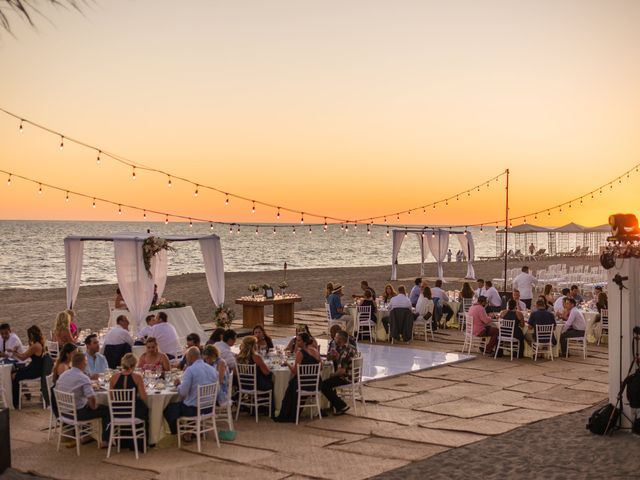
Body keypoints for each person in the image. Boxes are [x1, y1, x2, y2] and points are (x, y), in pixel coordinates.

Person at [55, 352, 110, 446]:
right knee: (107, 410)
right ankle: (105, 440)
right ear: (82, 363)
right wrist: (93, 406)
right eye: (85, 362)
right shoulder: (83, 378)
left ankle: (86, 435)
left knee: (83, 403)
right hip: (76, 414)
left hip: (63, 411)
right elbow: (91, 397)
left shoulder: (63, 375)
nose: (86, 364)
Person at [164, 347, 218, 439]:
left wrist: (177, 385)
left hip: (194, 410)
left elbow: (183, 393)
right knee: (188, 402)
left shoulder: (190, 370)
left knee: (168, 408)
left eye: (186, 357)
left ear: (190, 357)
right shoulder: (212, 369)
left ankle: (182, 432)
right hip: (209, 407)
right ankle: (191, 430)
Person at [275, 332, 322, 422]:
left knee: (291, 385)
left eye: (299, 340)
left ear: (304, 342)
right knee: (293, 382)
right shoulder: (315, 351)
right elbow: (321, 367)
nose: (296, 342)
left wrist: (287, 363)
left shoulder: (300, 353)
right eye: (296, 340)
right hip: (316, 383)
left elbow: (294, 371)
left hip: (303, 384)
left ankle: (287, 414)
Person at [109, 353, 149, 449]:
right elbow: (144, 397)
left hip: (117, 412)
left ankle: (123, 443)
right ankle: (140, 444)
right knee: (146, 409)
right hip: (133, 412)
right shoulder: (137, 377)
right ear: (134, 364)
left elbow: (111, 398)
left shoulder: (113, 378)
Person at [320, 331, 356, 415]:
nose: (334, 339)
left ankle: (341, 406)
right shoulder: (351, 347)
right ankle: (334, 405)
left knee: (324, 385)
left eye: (336, 337)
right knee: (329, 382)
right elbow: (331, 359)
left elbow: (341, 371)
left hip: (346, 377)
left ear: (340, 339)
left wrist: (332, 375)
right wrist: (334, 356)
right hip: (353, 375)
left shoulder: (344, 351)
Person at [11, 325, 45, 408]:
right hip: (36, 368)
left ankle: (16, 402)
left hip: (34, 370)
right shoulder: (39, 343)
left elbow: (23, 357)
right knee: (15, 372)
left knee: (14, 376)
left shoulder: (35, 346)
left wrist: (14, 352)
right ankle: (23, 395)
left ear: (32, 335)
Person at [50, 343, 77, 416]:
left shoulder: (69, 364)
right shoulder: (63, 366)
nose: (76, 356)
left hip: (66, 395)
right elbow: (66, 384)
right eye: (74, 353)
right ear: (67, 354)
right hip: (63, 399)